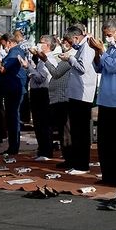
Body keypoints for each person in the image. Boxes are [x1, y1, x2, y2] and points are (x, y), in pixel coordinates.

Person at [89, 19, 116, 186]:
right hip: (106, 100)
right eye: (105, 35)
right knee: (105, 142)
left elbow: (114, 67)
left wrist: (102, 51)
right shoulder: (110, 49)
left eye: (109, 35)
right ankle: (107, 175)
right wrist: (97, 52)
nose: (107, 38)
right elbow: (99, 68)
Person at [60, 25, 97, 174]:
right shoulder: (80, 48)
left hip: (83, 94)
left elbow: (82, 68)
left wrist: (70, 59)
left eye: (70, 40)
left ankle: (82, 165)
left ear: (76, 37)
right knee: (76, 131)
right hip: (76, 94)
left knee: (81, 132)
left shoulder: (87, 47)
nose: (70, 44)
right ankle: (77, 163)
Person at [39, 34, 76, 164]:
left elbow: (55, 73)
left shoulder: (69, 57)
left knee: (65, 130)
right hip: (57, 97)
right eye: (63, 41)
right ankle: (67, 157)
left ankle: (70, 158)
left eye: (66, 41)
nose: (63, 43)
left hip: (63, 98)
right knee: (62, 129)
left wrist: (45, 60)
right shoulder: (64, 56)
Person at [21, 35, 55, 160]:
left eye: (41, 43)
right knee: (38, 122)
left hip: (43, 92)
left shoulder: (49, 59)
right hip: (37, 92)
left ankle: (46, 151)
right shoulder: (41, 60)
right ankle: (42, 149)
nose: (38, 44)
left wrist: (28, 68)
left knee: (43, 122)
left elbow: (41, 78)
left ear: (47, 45)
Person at [0, 34, 26, 155]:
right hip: (10, 90)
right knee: (11, 118)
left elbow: (3, 69)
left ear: (9, 42)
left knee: (13, 119)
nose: (3, 47)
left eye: (3, 44)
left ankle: (14, 147)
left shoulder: (14, 52)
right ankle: (12, 146)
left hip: (14, 90)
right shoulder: (14, 52)